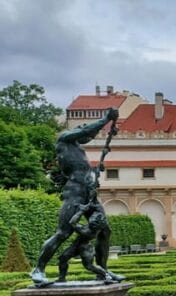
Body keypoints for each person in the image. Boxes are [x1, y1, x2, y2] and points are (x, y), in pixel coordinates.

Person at [31, 108, 123, 286]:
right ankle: (38, 269)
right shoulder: (64, 138)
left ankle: (102, 271)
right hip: (74, 192)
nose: (87, 132)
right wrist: (105, 119)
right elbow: (86, 132)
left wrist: (96, 170)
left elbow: (86, 145)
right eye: (82, 128)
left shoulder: (78, 149)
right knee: (63, 233)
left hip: (89, 193)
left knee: (105, 230)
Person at [57, 203, 115, 283]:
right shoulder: (94, 227)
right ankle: (61, 278)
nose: (92, 216)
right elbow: (99, 212)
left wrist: (81, 211)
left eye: (93, 217)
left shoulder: (88, 231)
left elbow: (73, 222)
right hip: (76, 245)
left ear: (95, 222)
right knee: (63, 258)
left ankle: (106, 275)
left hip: (85, 248)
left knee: (89, 266)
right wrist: (91, 205)